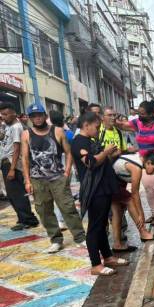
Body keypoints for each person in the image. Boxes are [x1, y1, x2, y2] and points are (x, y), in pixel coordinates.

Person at [21, 103, 86, 253]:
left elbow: (68, 152)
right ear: (30, 119)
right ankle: (55, 239)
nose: (37, 118)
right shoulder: (26, 134)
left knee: (68, 207)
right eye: (33, 116)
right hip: (37, 179)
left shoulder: (57, 131)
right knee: (44, 210)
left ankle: (80, 237)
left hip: (58, 177)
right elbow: (25, 158)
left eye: (39, 115)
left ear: (45, 116)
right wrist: (27, 180)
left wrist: (67, 172)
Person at [75, 112, 128, 276]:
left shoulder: (89, 140)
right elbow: (90, 162)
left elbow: (100, 159)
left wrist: (109, 153)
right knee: (95, 227)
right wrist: (105, 152)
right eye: (96, 127)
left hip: (103, 188)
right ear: (86, 125)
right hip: (94, 190)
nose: (98, 130)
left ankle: (108, 257)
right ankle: (95, 264)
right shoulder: (78, 142)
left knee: (102, 224)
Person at [116, 101, 154, 226]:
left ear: (151, 114)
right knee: (148, 188)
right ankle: (153, 214)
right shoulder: (137, 123)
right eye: (139, 113)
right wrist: (114, 121)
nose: (139, 115)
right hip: (144, 161)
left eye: (143, 113)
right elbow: (124, 126)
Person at [111, 152, 154, 251]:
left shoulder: (136, 158)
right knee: (129, 200)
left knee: (117, 212)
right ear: (148, 163)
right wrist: (141, 214)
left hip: (113, 181)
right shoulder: (137, 167)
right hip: (110, 182)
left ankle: (117, 244)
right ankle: (143, 233)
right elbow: (134, 193)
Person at [0, 102, 39, 230]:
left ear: (13, 113)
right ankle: (22, 218)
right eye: (2, 114)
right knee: (11, 195)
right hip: (6, 163)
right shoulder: (7, 125)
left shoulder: (17, 127)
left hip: (13, 164)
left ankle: (29, 220)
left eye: (6, 114)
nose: (3, 117)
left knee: (17, 193)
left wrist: (12, 169)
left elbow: (17, 148)